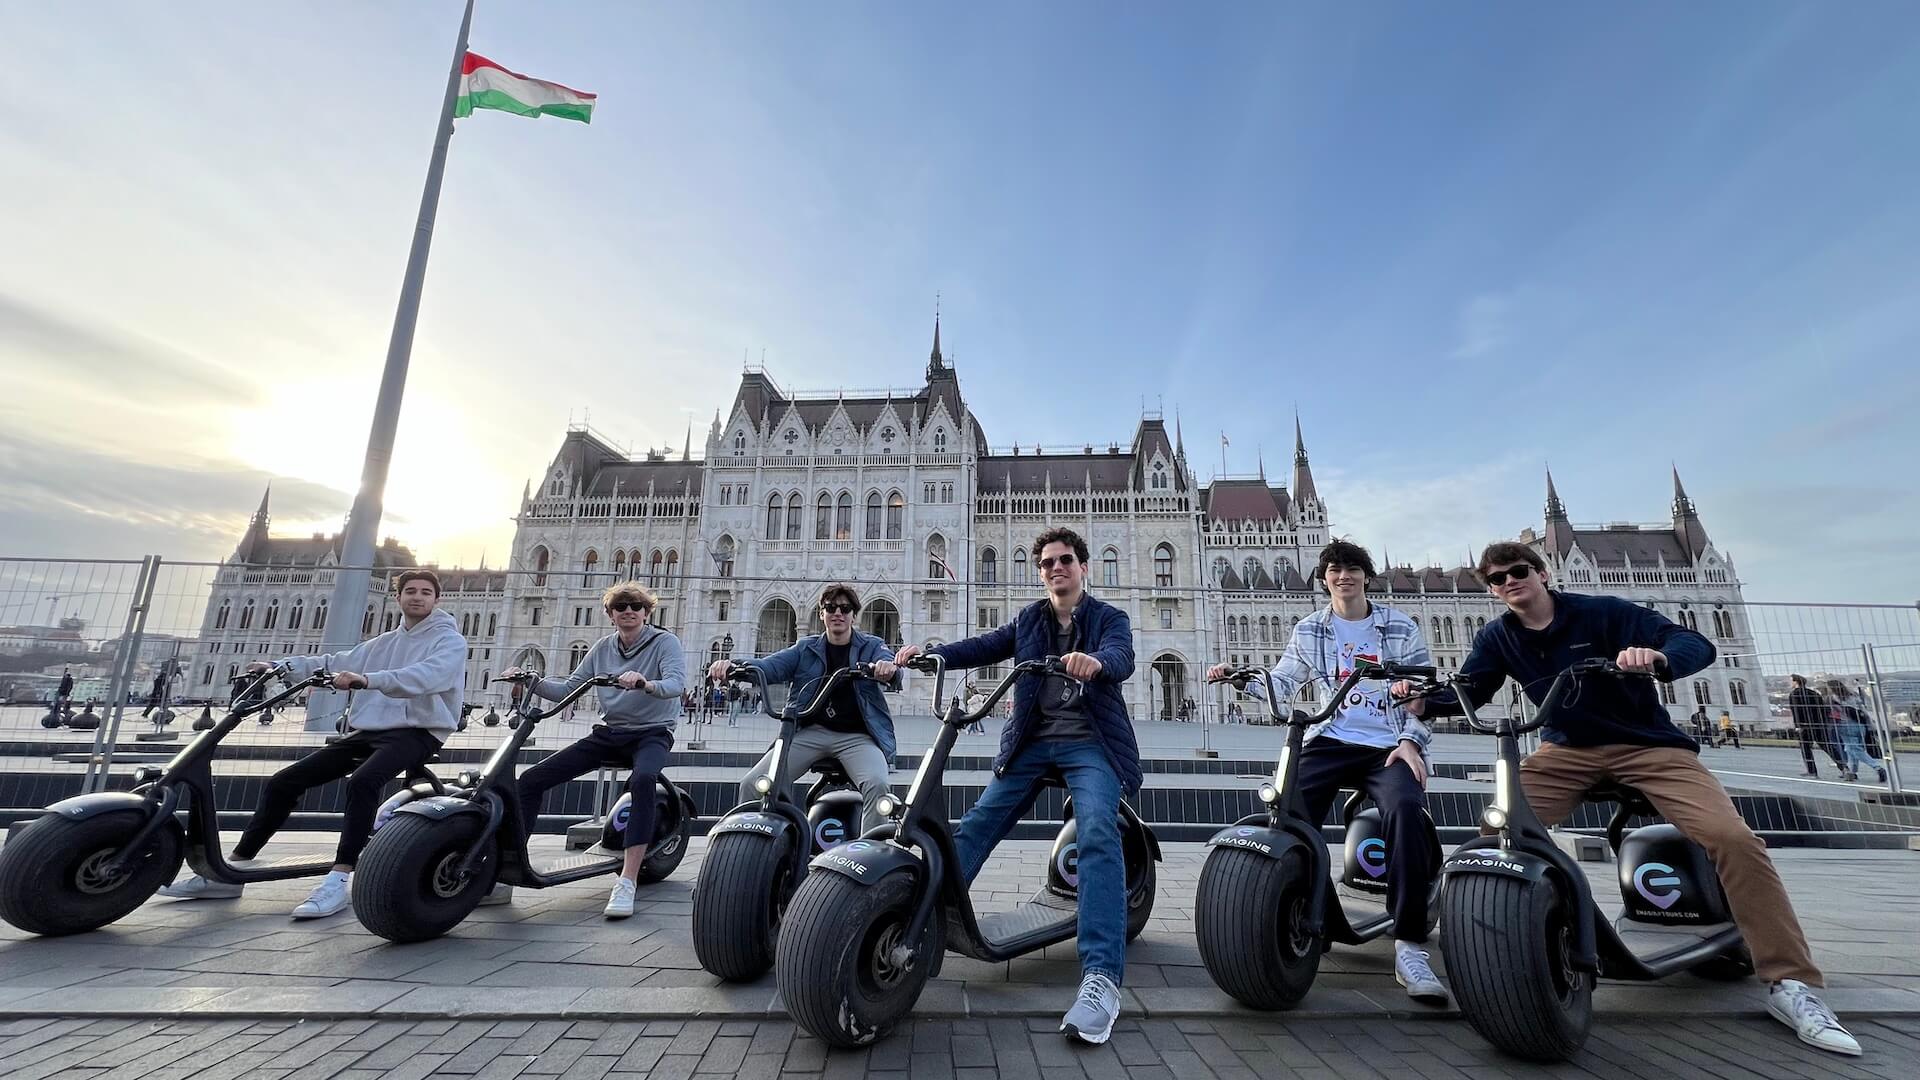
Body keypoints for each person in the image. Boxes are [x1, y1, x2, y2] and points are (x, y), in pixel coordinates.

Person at [1412, 542, 1860, 1056]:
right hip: (1567, 750)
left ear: (1542, 572)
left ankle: (1792, 983)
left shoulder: (1603, 612)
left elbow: (1693, 643)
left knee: (1732, 839)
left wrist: (1660, 658)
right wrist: (1425, 700)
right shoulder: (1499, 636)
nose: (1509, 582)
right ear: (1489, 590)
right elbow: (1472, 686)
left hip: (1647, 746)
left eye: (1518, 572)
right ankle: (1503, 954)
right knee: (1494, 839)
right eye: (1496, 579)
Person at [895, 527, 1138, 1046]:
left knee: (1097, 829)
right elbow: (985, 644)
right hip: (1032, 743)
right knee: (977, 823)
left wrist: (1096, 663)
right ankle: (916, 920)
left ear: (1083, 567)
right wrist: (933, 656)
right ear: (1040, 571)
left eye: (1066, 560)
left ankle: (1101, 981)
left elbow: (1122, 655)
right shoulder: (1031, 619)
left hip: (1091, 743)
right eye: (1048, 562)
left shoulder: (1107, 618)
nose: (1057, 568)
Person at [1205, 540, 1447, 1005]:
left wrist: (1411, 743)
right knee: (1288, 807)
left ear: (1366, 576)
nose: (1344, 577)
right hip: (1332, 737)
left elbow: (1424, 695)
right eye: (1335, 570)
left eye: (1352, 569)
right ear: (1324, 579)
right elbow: (1283, 681)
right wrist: (1241, 678)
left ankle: (1409, 944)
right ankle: (1310, 906)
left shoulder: (1400, 626)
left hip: (1387, 745)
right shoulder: (1311, 629)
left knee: (1404, 809)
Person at [158, 569, 465, 918]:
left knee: (365, 781)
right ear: (398, 598)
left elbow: (429, 676)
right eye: (410, 590)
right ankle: (233, 870)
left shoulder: (449, 640)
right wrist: (281, 666)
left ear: (437, 599)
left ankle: (340, 877)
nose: (418, 596)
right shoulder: (384, 643)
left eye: (426, 592)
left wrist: (368, 680)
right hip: (371, 731)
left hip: (421, 730)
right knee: (283, 782)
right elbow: (334, 662)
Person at [507, 582, 686, 918]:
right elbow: (568, 689)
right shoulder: (602, 647)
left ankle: (627, 881)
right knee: (531, 779)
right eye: (621, 606)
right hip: (610, 732)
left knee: (644, 780)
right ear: (610, 614)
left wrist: (646, 683)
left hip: (652, 733)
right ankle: (509, 863)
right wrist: (529, 680)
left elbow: (676, 683)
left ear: (648, 612)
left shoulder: (665, 642)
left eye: (636, 605)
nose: (628, 611)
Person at [709, 583, 901, 833]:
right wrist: (733, 667)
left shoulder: (871, 646)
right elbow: (769, 667)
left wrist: (887, 670)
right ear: (821, 614)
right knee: (753, 783)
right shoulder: (805, 648)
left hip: (858, 736)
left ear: (854, 615)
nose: (838, 613)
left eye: (845, 608)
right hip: (810, 732)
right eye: (830, 608)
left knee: (877, 785)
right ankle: (752, 848)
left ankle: (869, 856)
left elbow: (891, 668)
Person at [1826, 681, 1885, 784]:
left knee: (1853, 749)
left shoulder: (1833, 699)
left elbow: (1833, 713)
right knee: (1852, 749)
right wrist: (1869, 723)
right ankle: (1852, 772)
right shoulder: (1853, 695)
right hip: (1860, 724)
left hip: (1846, 724)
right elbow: (1863, 709)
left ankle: (1877, 768)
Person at [1786, 675, 1833, 777]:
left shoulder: (1794, 694)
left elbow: (1796, 711)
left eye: (1791, 681)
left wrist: (1798, 725)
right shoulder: (1814, 693)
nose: (1790, 683)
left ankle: (1812, 770)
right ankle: (1843, 767)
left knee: (1806, 749)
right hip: (1818, 724)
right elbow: (1822, 709)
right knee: (1827, 746)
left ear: (1796, 682)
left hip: (1804, 726)